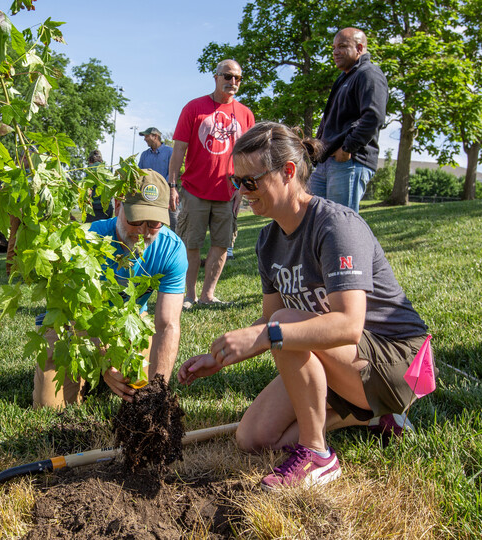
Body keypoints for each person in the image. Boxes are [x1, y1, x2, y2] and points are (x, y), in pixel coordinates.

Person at [177, 122, 429, 490]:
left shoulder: (335, 226)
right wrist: (218, 358)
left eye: (250, 181)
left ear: (288, 172)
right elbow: (266, 320)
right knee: (254, 439)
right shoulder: (267, 240)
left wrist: (269, 333)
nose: (242, 192)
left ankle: (318, 455)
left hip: (398, 362)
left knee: (282, 326)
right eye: (237, 182)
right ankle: (371, 418)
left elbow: (347, 326)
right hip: (346, 364)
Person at [34, 170, 187, 408]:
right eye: (135, 219)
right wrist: (103, 358)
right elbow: (76, 313)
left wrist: (159, 390)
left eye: (154, 223)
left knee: (144, 385)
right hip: (73, 327)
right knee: (49, 407)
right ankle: (91, 372)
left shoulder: (172, 250)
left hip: (130, 324)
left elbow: (167, 325)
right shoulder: (85, 240)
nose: (143, 231)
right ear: (117, 206)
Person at [170, 59, 255, 309]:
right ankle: (189, 295)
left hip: (228, 192)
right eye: (228, 76)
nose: (233, 82)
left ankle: (208, 295)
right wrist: (172, 185)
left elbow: (249, 158)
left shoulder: (246, 114)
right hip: (195, 190)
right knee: (191, 244)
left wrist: (243, 189)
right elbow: (178, 150)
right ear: (216, 77)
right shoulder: (194, 108)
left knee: (221, 244)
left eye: (237, 78)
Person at [310, 27, 388, 212]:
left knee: (340, 222)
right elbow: (330, 119)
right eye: (334, 47)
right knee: (314, 218)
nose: (335, 52)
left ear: (359, 48)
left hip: (349, 162)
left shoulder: (369, 74)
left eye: (342, 46)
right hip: (326, 162)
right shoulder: (343, 78)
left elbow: (373, 117)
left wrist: (347, 148)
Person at [137, 127, 176, 232]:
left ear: (155, 136)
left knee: (174, 223)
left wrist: (163, 187)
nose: (145, 139)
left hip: (166, 194)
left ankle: (176, 245)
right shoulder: (144, 155)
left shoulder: (169, 152)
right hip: (148, 195)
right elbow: (139, 174)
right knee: (148, 224)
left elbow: (172, 172)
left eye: (146, 136)